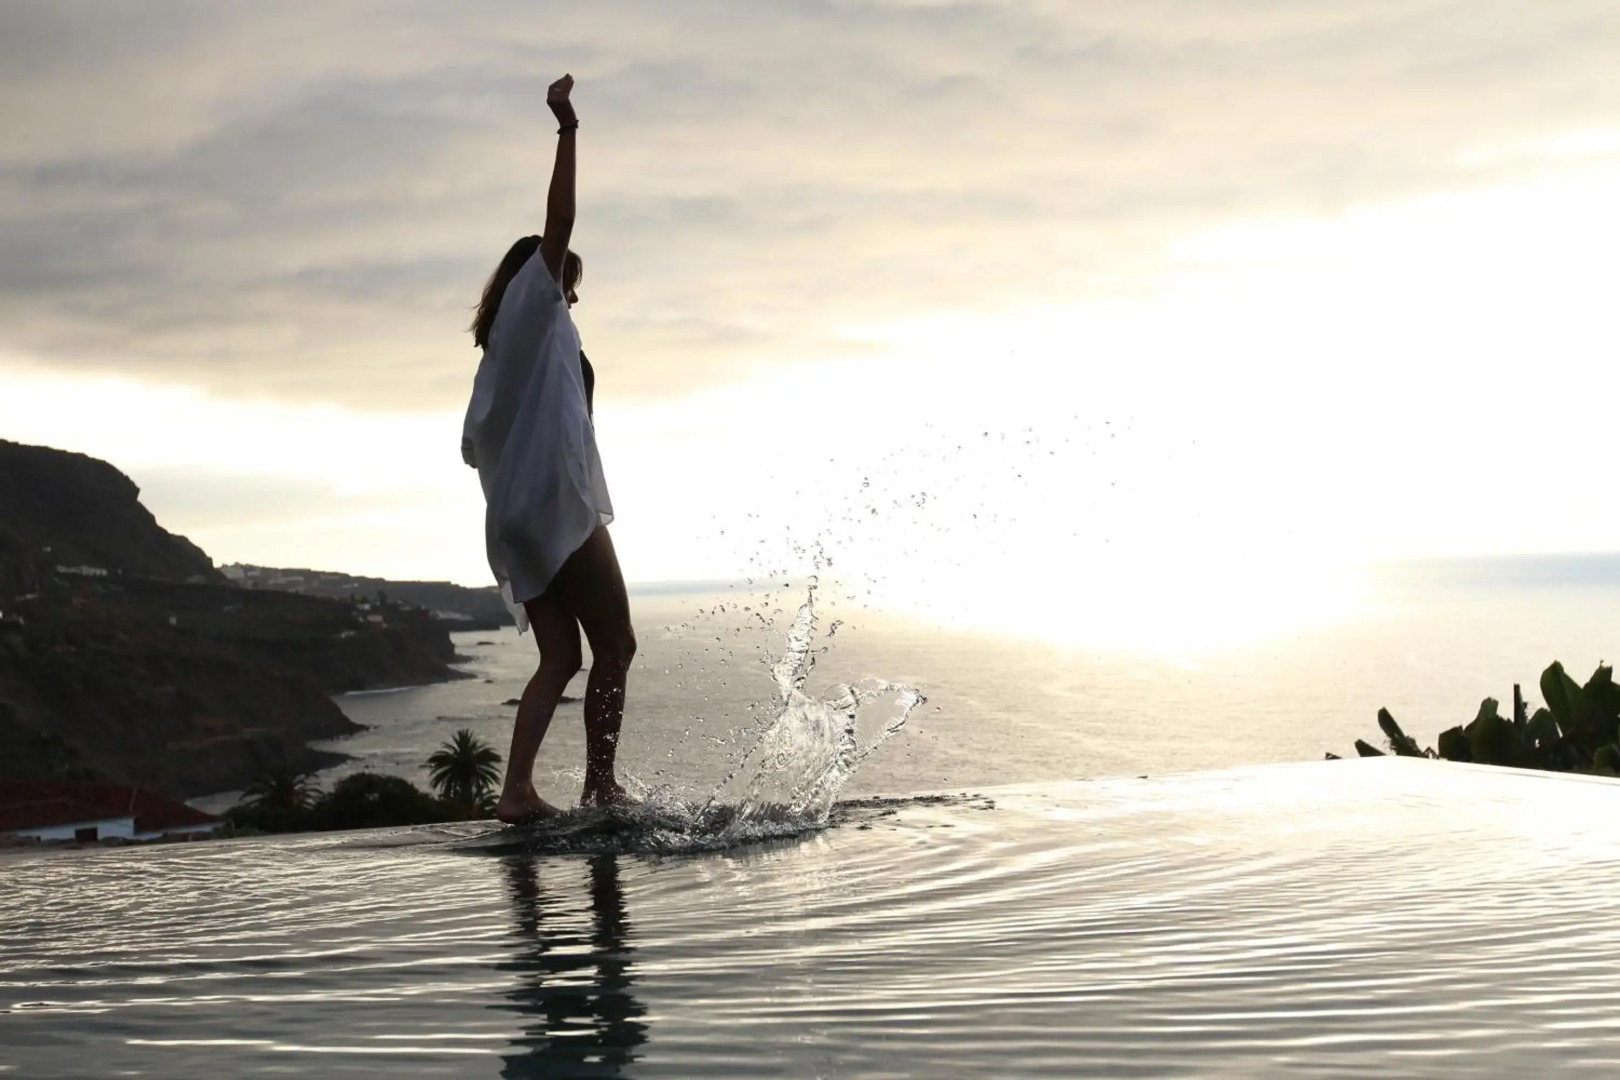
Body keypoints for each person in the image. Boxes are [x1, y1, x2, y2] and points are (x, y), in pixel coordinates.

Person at [461, 74, 637, 822]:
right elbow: (558, 218)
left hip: (516, 516)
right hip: (552, 506)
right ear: (542, 276)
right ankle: (599, 786)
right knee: (618, 646)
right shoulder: (535, 306)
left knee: (562, 658)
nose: (574, 294)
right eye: (571, 281)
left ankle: (515, 792)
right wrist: (567, 129)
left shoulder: (508, 345)